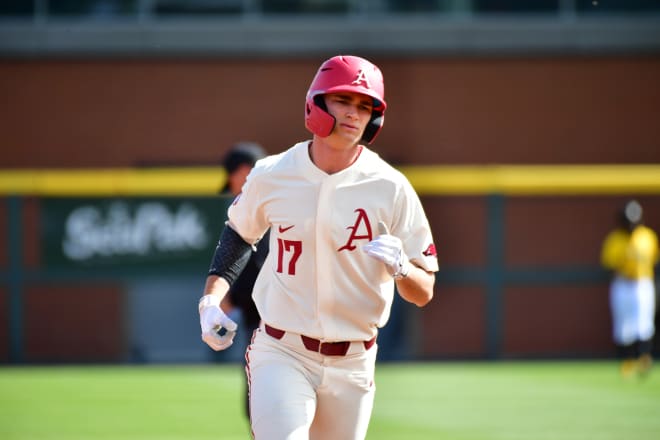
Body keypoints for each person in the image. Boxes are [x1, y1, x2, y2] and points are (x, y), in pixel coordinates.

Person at [198, 54, 438, 439]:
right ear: (316, 102)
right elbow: (240, 233)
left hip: (355, 361)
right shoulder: (273, 173)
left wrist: (403, 269)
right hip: (282, 350)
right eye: (344, 100)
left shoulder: (391, 186)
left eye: (365, 106)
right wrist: (210, 300)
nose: (354, 114)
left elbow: (424, 291)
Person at [216, 141, 269, 418]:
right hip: (257, 328)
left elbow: (261, 277)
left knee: (267, 408)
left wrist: (230, 297)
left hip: (280, 328)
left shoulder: (273, 214)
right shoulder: (240, 215)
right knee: (256, 408)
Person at [600, 199, 658, 378]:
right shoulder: (615, 240)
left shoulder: (647, 237)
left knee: (644, 321)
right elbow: (609, 266)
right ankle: (627, 361)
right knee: (623, 324)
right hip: (623, 284)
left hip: (643, 283)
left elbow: (655, 264)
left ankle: (644, 358)